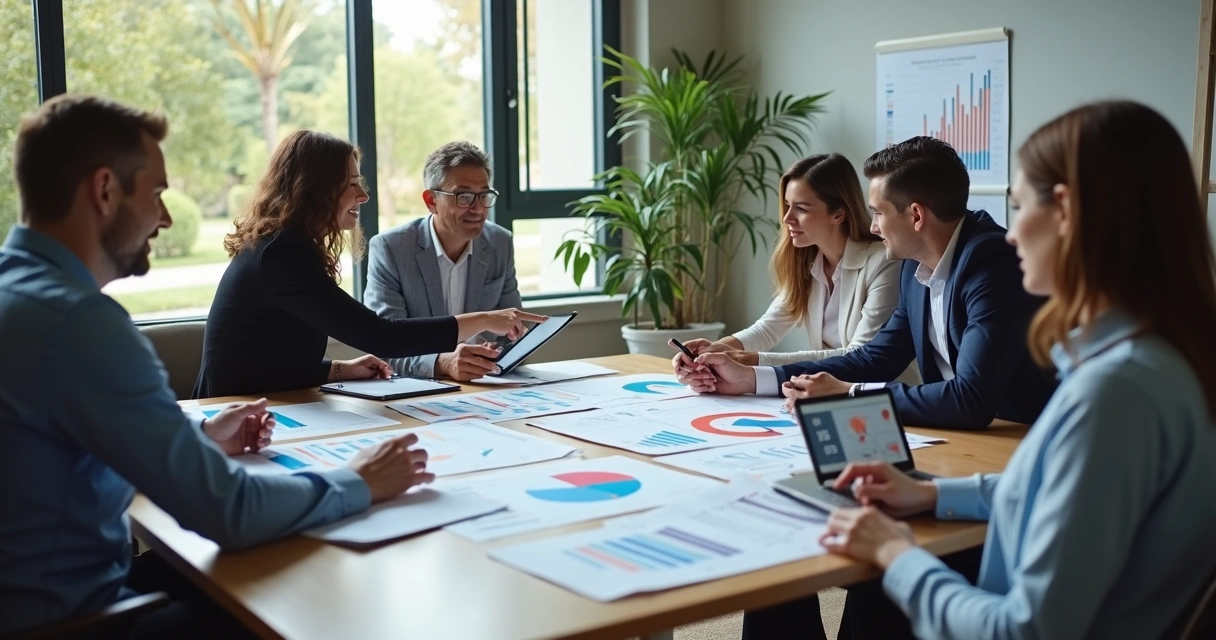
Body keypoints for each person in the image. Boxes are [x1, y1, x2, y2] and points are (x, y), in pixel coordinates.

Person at [0, 95, 437, 637]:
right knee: (321, 604)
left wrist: (200, 433)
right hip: (79, 621)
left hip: (53, 598)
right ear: (105, 190)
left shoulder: (16, 295)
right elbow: (232, 513)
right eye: (157, 193)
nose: (164, 217)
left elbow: (67, 431)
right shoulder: (80, 324)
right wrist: (359, 480)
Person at [809, 101, 1216, 639]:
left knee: (882, 582)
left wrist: (896, 555)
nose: (1012, 233)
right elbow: (1065, 492)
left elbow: (1022, 630)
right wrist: (933, 495)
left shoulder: (1113, 394)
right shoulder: (1163, 357)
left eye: (1020, 207)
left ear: (1065, 212)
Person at [676, 137, 1056, 429]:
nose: (873, 226)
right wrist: (750, 379)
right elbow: (875, 358)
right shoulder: (914, 265)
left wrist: (850, 395)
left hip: (1022, 439)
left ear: (916, 216)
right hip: (961, 437)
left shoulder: (991, 263)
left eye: (878, 213)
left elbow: (971, 400)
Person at [193, 131, 544, 398]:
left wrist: (339, 369)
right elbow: (382, 335)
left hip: (266, 402)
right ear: (314, 191)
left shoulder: (286, 247)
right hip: (232, 411)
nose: (363, 196)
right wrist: (483, 319)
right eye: (351, 184)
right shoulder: (282, 255)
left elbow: (271, 356)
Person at [675, 154, 914, 383]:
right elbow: (766, 330)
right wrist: (713, 350)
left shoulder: (884, 263)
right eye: (787, 205)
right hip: (832, 393)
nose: (787, 218)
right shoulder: (809, 263)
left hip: (887, 399)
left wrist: (753, 361)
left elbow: (859, 356)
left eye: (801, 208)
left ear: (838, 214)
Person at [363, 141, 522, 382]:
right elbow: (384, 347)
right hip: (418, 391)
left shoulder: (500, 242)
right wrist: (442, 363)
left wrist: (497, 351)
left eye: (484, 195)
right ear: (431, 201)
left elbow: (513, 334)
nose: (478, 209)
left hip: (484, 387)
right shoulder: (391, 249)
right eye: (464, 196)